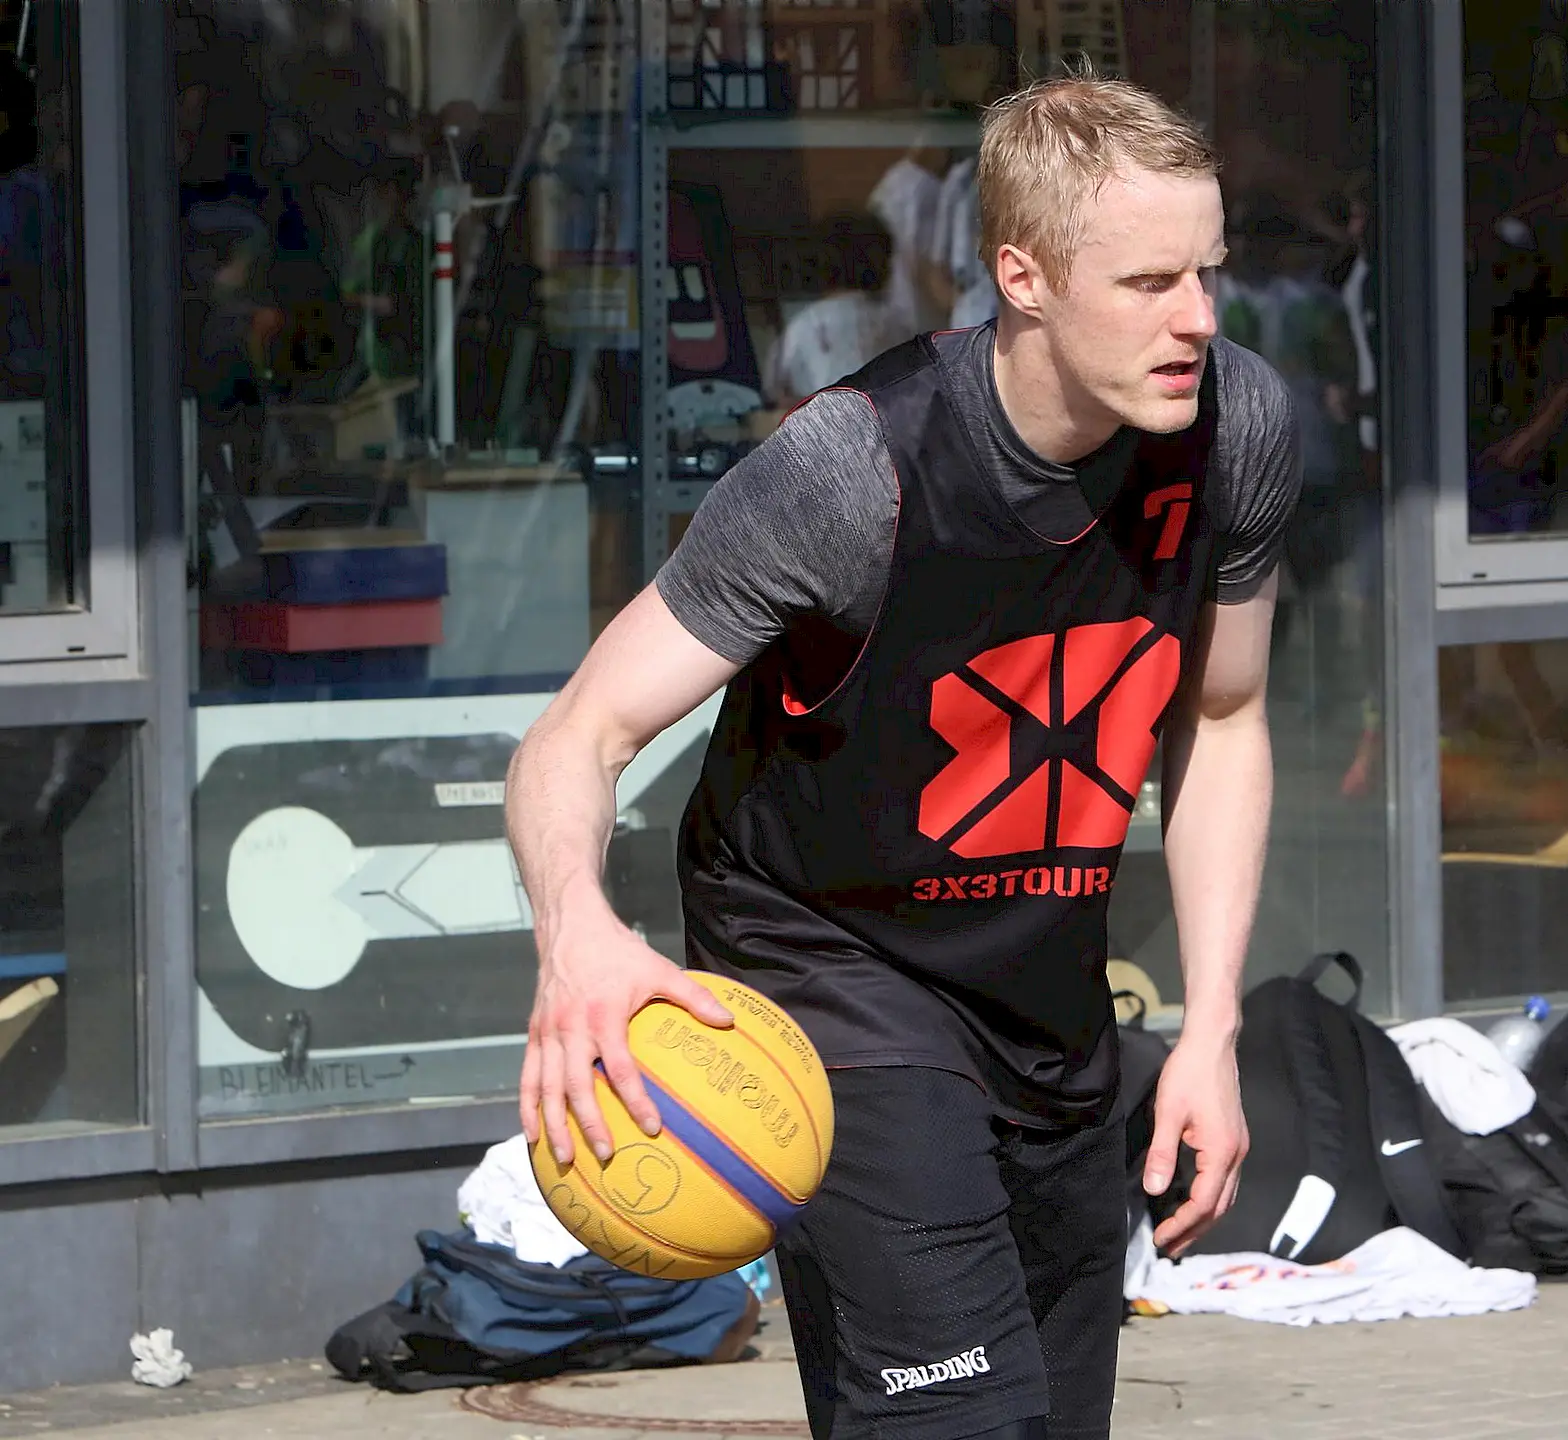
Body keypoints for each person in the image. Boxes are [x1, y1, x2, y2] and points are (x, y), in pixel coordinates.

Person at [509, 73, 1299, 1440]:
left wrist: (1213, 1029)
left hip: (1039, 992)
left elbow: (1222, 719)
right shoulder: (849, 473)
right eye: (1149, 282)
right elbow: (578, 734)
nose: (1198, 320)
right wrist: (577, 932)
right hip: (829, 970)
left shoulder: (1236, 432)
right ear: (1023, 278)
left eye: (1208, 274)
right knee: (962, 1419)